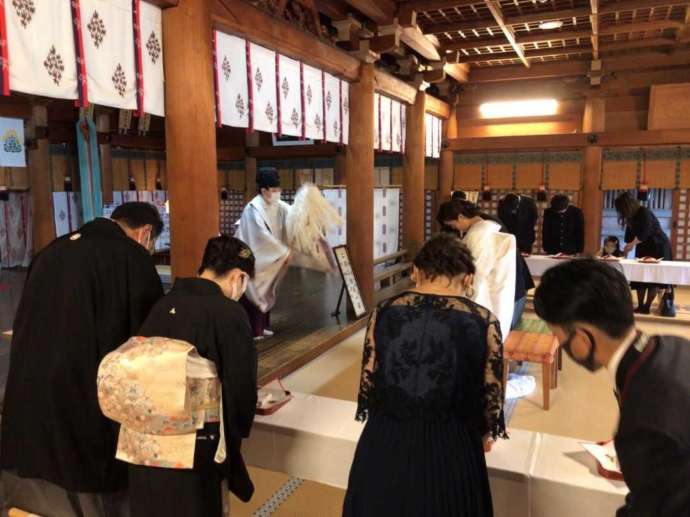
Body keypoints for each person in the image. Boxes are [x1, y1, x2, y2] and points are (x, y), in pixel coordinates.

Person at [1, 202, 164, 516]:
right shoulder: (132, 258)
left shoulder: (51, 251)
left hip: (30, 389)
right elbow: (148, 341)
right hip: (85, 396)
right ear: (145, 234)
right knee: (87, 476)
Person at [343, 234, 507, 517]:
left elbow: (369, 380)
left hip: (384, 437)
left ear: (416, 271)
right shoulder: (483, 319)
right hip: (453, 444)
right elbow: (492, 393)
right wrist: (485, 435)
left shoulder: (384, 311)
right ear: (468, 278)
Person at [99, 236, 258, 517]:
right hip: (194, 446)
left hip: (143, 442)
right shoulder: (228, 313)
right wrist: (236, 435)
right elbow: (240, 388)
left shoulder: (163, 303)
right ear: (238, 277)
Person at [533, 259, 690, 517]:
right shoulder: (673, 345)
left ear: (582, 338)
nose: (559, 344)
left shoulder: (643, 420)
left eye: (558, 336)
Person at [438, 199, 517, 339]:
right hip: (497, 286)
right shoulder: (489, 226)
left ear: (461, 217)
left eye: (453, 224)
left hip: (484, 291)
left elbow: (475, 273)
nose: (455, 229)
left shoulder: (477, 234)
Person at [234, 167, 291, 339]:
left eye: (277, 190)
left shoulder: (277, 205)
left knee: (266, 290)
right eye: (273, 190)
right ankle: (254, 330)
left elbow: (292, 214)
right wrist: (281, 251)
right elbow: (259, 235)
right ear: (263, 190)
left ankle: (264, 325)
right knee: (254, 292)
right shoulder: (253, 208)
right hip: (250, 256)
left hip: (268, 257)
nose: (276, 193)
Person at [614, 192, 673, 314]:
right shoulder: (631, 216)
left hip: (658, 246)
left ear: (628, 205)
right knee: (640, 276)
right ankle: (640, 305)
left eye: (622, 208)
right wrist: (625, 248)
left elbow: (643, 234)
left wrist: (631, 245)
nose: (621, 211)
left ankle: (647, 306)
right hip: (643, 246)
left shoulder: (643, 212)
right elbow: (629, 238)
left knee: (653, 278)